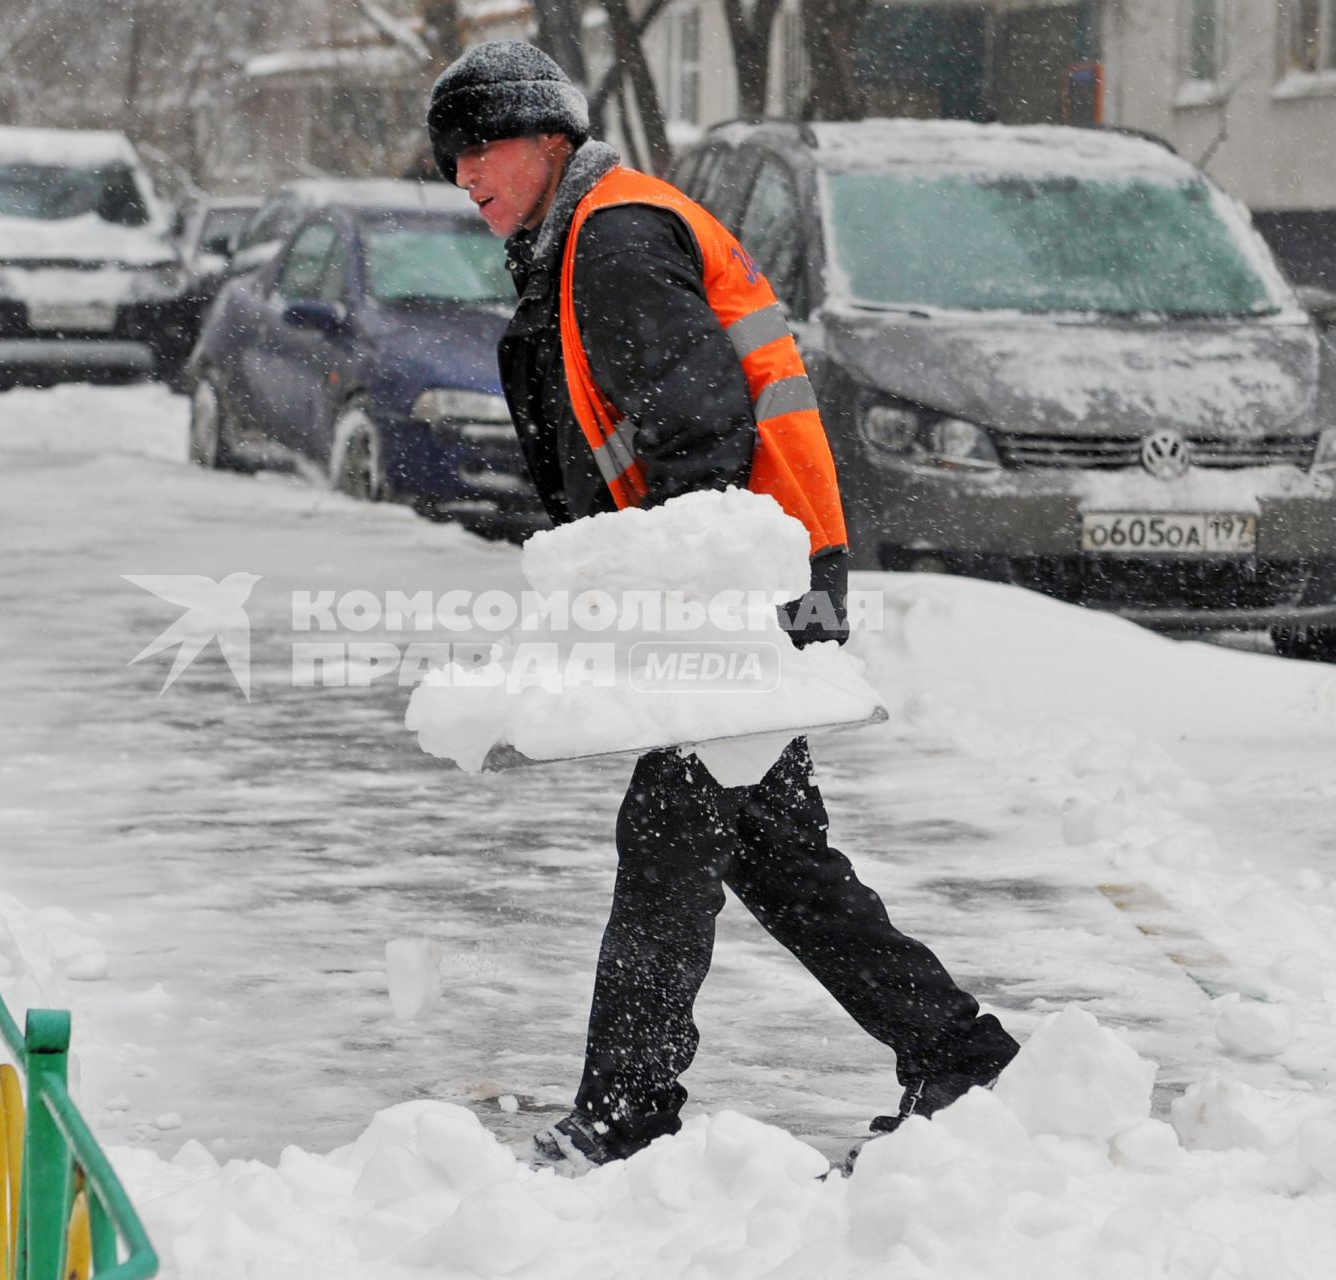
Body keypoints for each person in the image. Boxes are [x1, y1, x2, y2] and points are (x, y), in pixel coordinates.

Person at [426, 41, 1020, 1169]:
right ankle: (959, 1052)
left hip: (738, 588)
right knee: (776, 855)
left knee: (667, 836)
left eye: (478, 148)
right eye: (449, 158)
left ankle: (627, 1110)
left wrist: (690, 609)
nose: (463, 175)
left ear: (549, 141)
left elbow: (701, 427)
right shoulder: (582, 237)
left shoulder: (613, 237)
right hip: (752, 578)